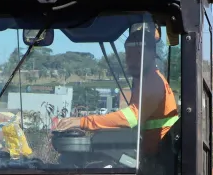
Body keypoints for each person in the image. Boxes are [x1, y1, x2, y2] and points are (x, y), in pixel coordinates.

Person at [54, 24, 178, 157]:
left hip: (156, 162)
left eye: (138, 54)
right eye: (129, 55)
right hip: (146, 156)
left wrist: (83, 122)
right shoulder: (144, 80)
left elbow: (132, 117)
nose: (131, 60)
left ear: (152, 54)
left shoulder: (154, 82)